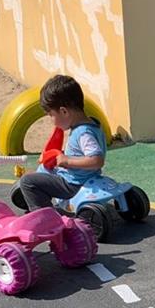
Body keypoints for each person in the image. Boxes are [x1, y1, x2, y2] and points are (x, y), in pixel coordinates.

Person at [17, 75, 106, 211]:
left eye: (50, 115)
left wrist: (67, 161)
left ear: (64, 111)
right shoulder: (91, 124)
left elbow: (97, 160)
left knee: (27, 182)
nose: (51, 120)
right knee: (46, 169)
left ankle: (45, 217)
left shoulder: (83, 132)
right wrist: (60, 157)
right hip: (82, 176)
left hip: (72, 184)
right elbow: (82, 154)